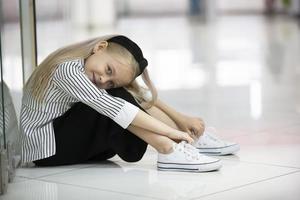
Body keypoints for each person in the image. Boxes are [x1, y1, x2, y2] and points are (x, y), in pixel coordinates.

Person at [20, 35, 239, 172]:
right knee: (116, 102)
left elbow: (140, 96)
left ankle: (190, 138)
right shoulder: (68, 70)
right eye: (108, 70)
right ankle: (169, 149)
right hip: (46, 150)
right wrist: (172, 135)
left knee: (121, 94)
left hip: (61, 141)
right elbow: (116, 108)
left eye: (110, 78)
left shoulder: (86, 68)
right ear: (100, 47)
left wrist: (182, 121)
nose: (104, 80)